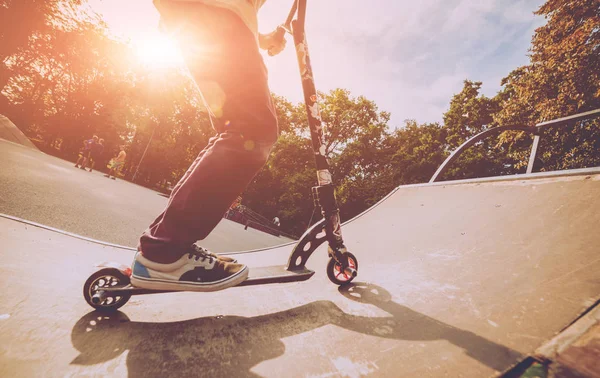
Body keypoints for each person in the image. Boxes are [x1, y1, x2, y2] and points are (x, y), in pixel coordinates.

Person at [130, 0, 286, 292]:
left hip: (207, 23)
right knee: (252, 132)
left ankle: (164, 246)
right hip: (218, 22)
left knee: (240, 132)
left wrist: (263, 39)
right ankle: (165, 253)